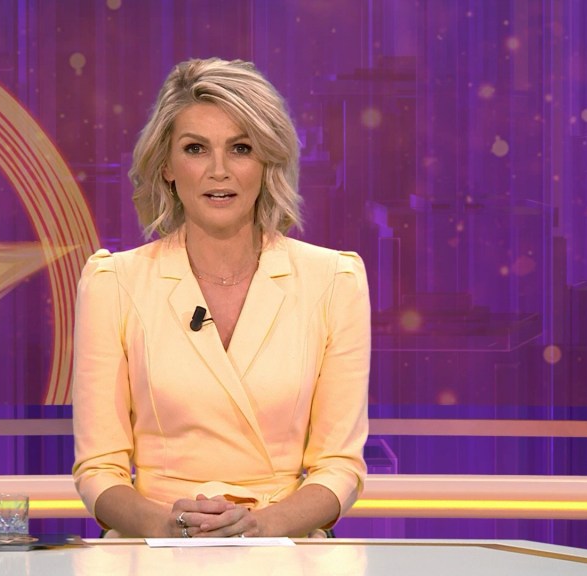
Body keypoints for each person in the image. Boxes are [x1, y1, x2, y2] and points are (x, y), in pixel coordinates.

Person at [71, 57, 370, 538]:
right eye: (195, 149)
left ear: (267, 162)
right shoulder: (115, 283)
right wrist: (169, 526)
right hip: (153, 545)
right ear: (166, 166)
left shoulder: (334, 281)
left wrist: (261, 525)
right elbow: (98, 468)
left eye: (240, 148)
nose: (218, 171)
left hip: (283, 544)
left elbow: (340, 466)